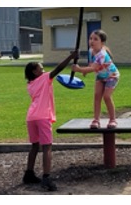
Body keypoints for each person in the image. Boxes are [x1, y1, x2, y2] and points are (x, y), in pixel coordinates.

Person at [23, 51, 79, 191]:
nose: (43, 70)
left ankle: (28, 174)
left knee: (35, 146)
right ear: (35, 72)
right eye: (40, 68)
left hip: (31, 117)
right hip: (42, 117)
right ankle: (46, 178)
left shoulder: (30, 84)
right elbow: (58, 69)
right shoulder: (44, 78)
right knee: (47, 147)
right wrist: (71, 57)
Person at [72, 30, 120, 129]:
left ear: (102, 42)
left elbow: (93, 68)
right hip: (101, 75)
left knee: (106, 97)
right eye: (90, 38)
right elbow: (91, 64)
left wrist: (79, 69)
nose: (92, 41)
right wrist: (85, 70)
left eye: (95, 39)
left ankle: (112, 120)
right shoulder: (91, 50)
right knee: (97, 96)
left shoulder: (102, 54)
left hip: (112, 76)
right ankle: (96, 120)